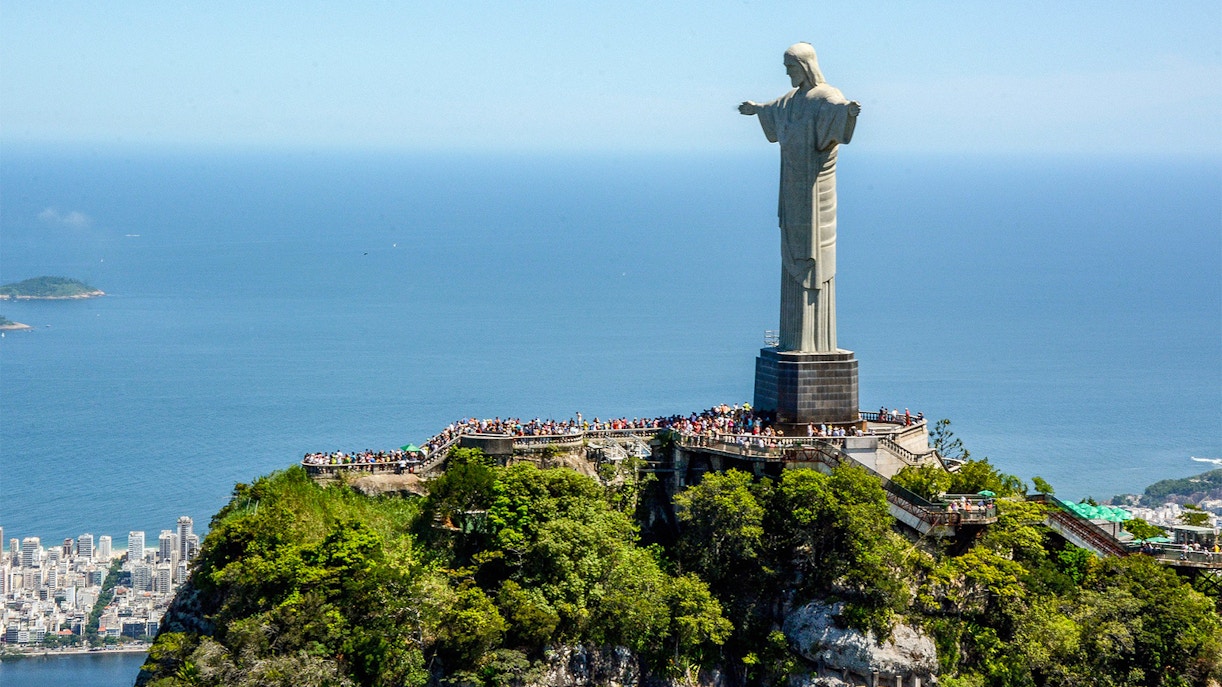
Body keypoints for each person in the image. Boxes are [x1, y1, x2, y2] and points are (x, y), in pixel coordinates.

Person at [740, 43, 861, 353]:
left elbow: (838, 113)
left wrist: (848, 112)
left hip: (815, 192)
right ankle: (795, 341)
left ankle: (816, 343)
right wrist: (756, 109)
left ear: (806, 66)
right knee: (792, 250)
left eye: (790, 67)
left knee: (815, 257)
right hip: (792, 191)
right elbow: (773, 111)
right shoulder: (791, 101)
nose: (787, 72)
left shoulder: (825, 97)